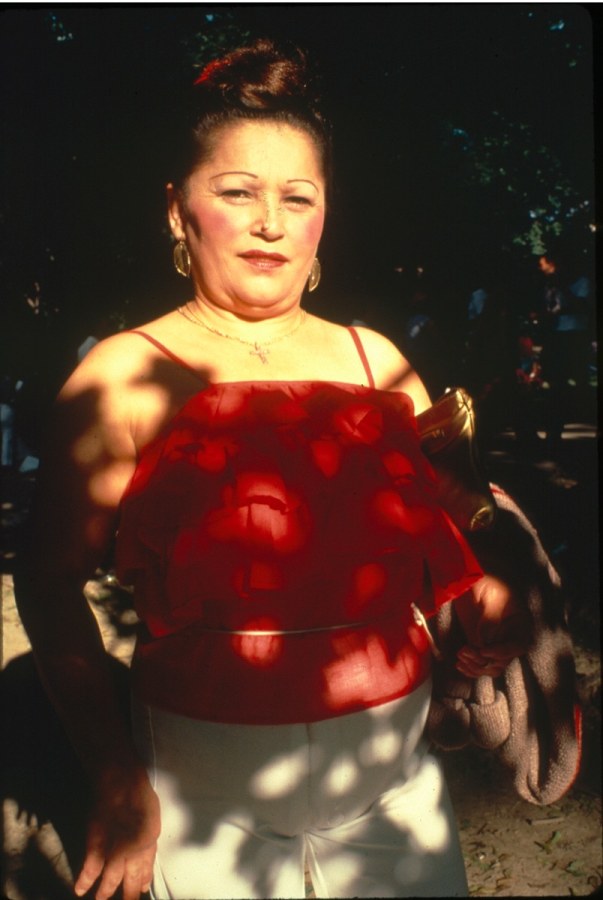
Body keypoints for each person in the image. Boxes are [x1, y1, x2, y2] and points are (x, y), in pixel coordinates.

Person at [16, 40, 529, 900]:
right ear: (178, 209)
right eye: (237, 192)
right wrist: (112, 776)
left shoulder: (377, 361)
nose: (269, 222)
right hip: (202, 801)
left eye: (298, 197)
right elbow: (48, 579)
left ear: (325, 214)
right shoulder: (118, 375)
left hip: (394, 791)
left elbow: (449, 508)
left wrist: (483, 594)